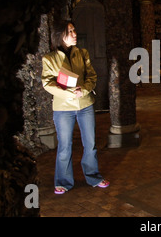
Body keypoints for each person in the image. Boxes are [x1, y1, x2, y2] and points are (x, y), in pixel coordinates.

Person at [41, 20, 109, 194]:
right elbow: (48, 83)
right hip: (63, 108)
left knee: (91, 143)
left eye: (74, 30)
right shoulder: (49, 59)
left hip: (85, 104)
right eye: (70, 31)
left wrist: (84, 90)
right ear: (60, 35)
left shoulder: (82, 53)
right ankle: (63, 181)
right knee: (65, 145)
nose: (74, 34)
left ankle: (94, 177)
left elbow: (91, 76)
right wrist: (71, 94)